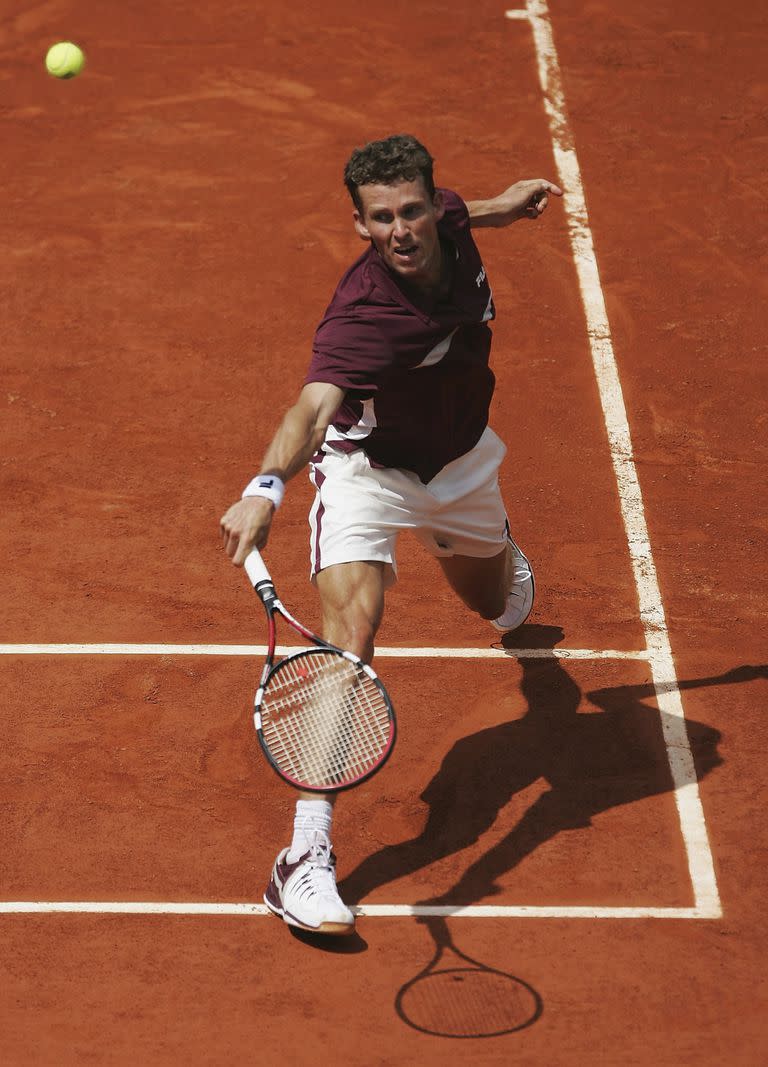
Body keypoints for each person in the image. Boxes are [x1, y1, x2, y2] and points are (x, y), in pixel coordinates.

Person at [220, 134, 562, 936]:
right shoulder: (363, 315)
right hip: (365, 473)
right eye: (382, 219)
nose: (402, 230)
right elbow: (309, 409)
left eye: (411, 210)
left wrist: (500, 210)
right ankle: (304, 855)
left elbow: (455, 211)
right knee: (350, 641)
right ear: (360, 227)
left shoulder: (444, 218)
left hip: (462, 465)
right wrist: (265, 487)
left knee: (495, 603)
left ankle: (491, 560)